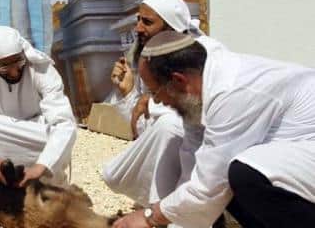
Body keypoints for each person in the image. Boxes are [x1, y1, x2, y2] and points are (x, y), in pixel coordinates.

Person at [113, 31, 315, 228]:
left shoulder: (230, 92)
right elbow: (193, 170)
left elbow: (210, 186)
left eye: (155, 92)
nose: (156, 101)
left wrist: (150, 217)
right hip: (299, 155)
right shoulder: (197, 92)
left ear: (179, 81)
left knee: (242, 173)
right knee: (223, 179)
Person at [103, 0, 204, 209]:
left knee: (170, 126)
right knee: (113, 174)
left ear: (171, 28)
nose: (138, 28)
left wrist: (150, 102)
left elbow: (190, 119)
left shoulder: (200, 56)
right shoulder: (151, 58)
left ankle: (164, 209)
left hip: (206, 152)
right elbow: (145, 127)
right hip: (176, 152)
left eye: (147, 22)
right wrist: (128, 92)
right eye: (138, 20)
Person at [0, 25, 77, 199]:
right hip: (0, 132)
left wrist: (41, 167)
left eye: (18, 62)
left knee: (58, 135)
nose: (14, 71)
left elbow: (65, 124)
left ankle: (49, 192)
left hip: (35, 133)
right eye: (4, 66)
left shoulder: (42, 69)